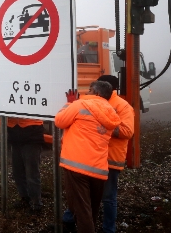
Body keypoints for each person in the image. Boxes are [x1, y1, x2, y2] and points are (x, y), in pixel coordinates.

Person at [63, 75, 135, 232]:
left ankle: (108, 229)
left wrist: (106, 125)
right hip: (89, 158)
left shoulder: (123, 106)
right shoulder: (87, 101)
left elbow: (128, 131)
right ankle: (70, 220)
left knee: (108, 198)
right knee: (81, 196)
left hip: (110, 160)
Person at [55, 81, 120, 233]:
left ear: (96, 93)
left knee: (82, 211)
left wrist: (68, 104)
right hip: (99, 169)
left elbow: (59, 121)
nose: (87, 93)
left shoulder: (80, 105)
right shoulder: (111, 112)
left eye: (90, 90)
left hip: (76, 166)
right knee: (91, 210)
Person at [7, 116, 45, 213]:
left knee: (31, 173)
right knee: (17, 172)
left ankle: (36, 204)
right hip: (14, 133)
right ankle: (25, 198)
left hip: (32, 132)